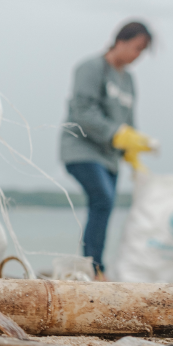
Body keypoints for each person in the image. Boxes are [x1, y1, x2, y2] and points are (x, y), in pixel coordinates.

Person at [59, 21, 154, 278]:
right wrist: (117, 134)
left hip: (109, 157)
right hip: (81, 150)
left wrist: (133, 149)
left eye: (142, 51)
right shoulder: (91, 68)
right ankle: (94, 267)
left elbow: (128, 121)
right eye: (137, 48)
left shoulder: (129, 80)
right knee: (103, 198)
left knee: (105, 206)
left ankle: (94, 264)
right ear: (120, 41)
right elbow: (83, 111)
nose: (138, 56)